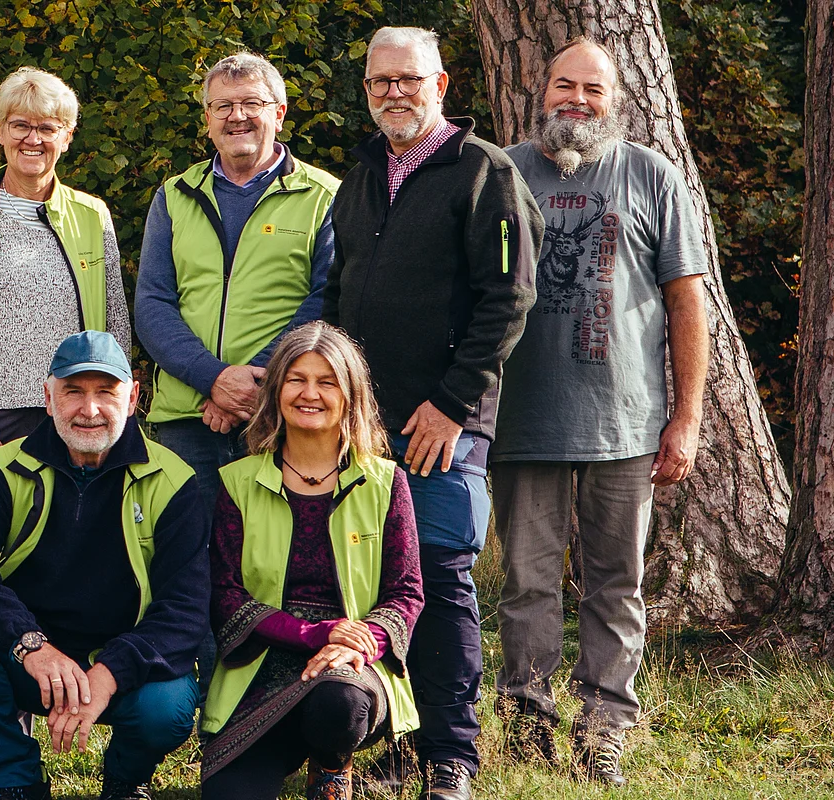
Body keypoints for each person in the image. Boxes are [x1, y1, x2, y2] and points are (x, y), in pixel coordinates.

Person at [323, 26, 541, 800]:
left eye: (407, 80)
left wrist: (451, 405)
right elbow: (334, 296)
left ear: (440, 84)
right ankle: (395, 741)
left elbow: (509, 299)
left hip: (441, 423)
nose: (393, 93)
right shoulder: (360, 177)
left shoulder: (483, 172)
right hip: (357, 426)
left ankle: (451, 757)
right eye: (380, 82)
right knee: (371, 583)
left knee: (442, 577)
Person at [491, 36, 710, 787]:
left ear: (614, 99)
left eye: (592, 88)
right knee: (526, 582)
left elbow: (687, 301)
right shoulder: (504, 172)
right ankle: (526, 721)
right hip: (521, 421)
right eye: (563, 85)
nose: (576, 100)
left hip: (626, 423)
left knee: (617, 582)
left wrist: (686, 418)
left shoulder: (651, 175)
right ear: (541, 90)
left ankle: (604, 726)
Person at [0, 64, 130, 799]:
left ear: (68, 136)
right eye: (20, 124)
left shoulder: (92, 214)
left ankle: (36, 716)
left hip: (75, 418)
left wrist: (115, 409)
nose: (32, 137)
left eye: (48, 126)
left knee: (52, 570)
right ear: (0, 131)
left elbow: (114, 324)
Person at [0, 331, 214, 800]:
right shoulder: (6, 467)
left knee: (168, 708)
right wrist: (30, 644)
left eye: (106, 392)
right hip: (30, 657)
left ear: (134, 397)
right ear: (49, 396)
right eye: (73, 391)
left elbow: (185, 610)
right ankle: (16, 780)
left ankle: (125, 779)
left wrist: (107, 673)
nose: (89, 409)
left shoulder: (174, 481)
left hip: (120, 662)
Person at [197, 322, 423, 800]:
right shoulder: (237, 482)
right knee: (228, 795)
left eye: (327, 381)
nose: (310, 394)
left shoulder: (384, 482)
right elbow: (226, 594)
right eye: (297, 379)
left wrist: (362, 641)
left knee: (337, 706)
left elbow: (405, 591)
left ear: (350, 395)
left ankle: (330, 765)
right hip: (263, 657)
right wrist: (317, 634)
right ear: (276, 391)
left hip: (351, 660)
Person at [136, 51, 339, 475]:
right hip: (186, 419)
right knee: (185, 542)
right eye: (223, 106)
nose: (237, 116)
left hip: (283, 412)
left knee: (277, 542)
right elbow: (153, 303)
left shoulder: (325, 197)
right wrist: (213, 378)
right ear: (208, 119)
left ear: (279, 114)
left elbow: (325, 301)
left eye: (252, 103)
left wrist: (255, 382)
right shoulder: (174, 195)